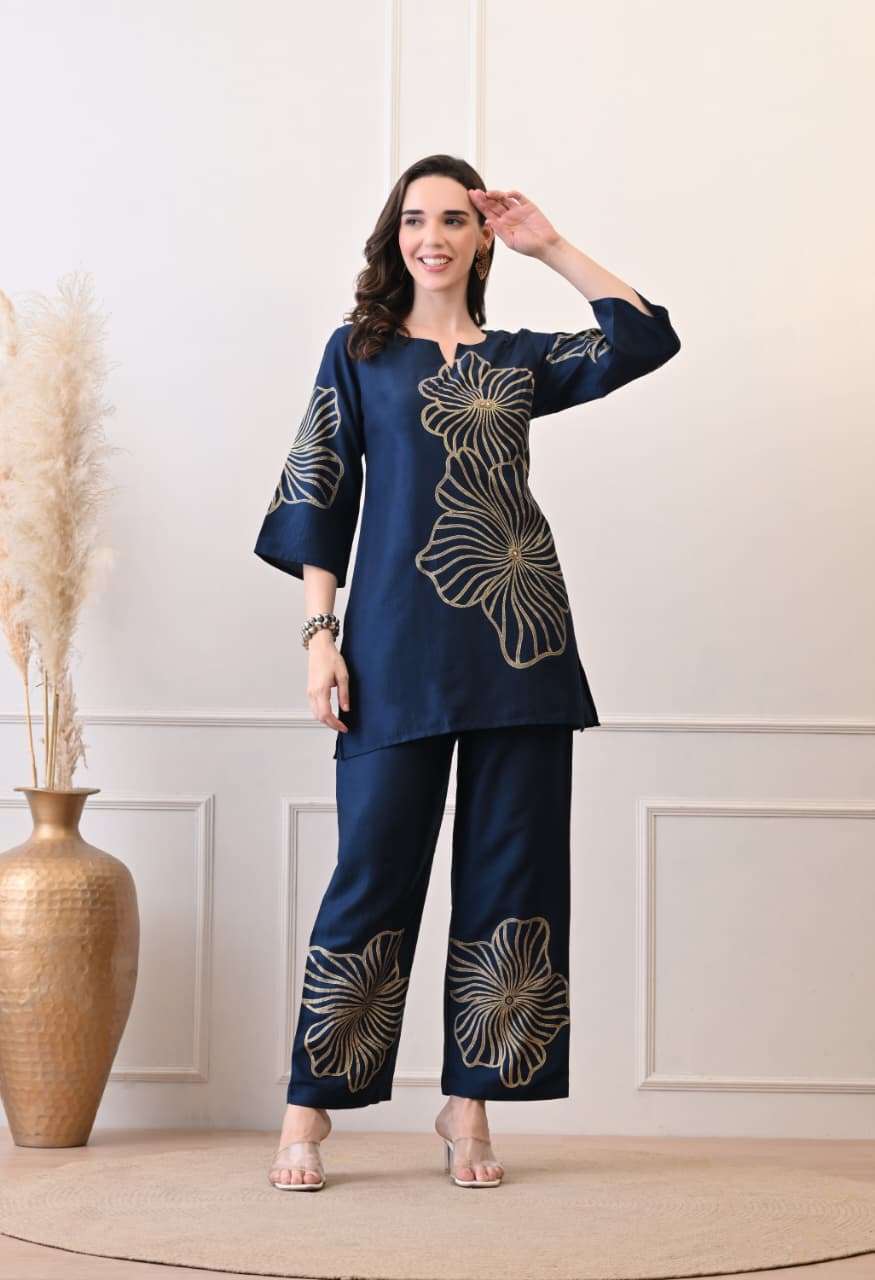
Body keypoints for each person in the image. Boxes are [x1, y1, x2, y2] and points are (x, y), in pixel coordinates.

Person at [254, 154, 681, 1190]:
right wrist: (319, 638)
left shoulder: (519, 359)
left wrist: (551, 245)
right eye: (414, 219)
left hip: (519, 647)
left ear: (481, 238)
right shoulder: (358, 352)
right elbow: (320, 492)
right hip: (392, 646)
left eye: (453, 219)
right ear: (393, 235)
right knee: (372, 871)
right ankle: (309, 1106)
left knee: (510, 877)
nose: (432, 237)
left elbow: (645, 338)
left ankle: (468, 1105)